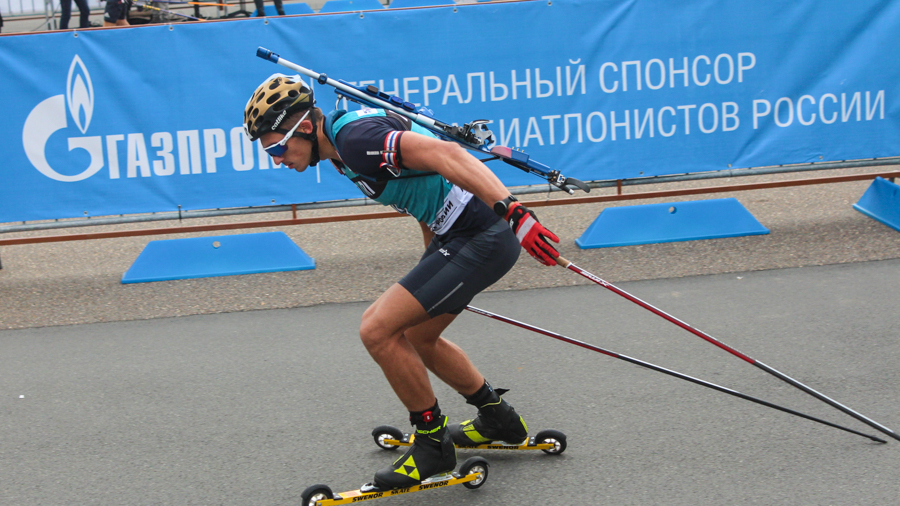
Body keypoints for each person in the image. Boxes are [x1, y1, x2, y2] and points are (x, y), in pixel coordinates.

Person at [243, 74, 560, 490]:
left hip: (482, 233)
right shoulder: (341, 149)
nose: (276, 158)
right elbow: (426, 193)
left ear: (302, 125)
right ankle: (498, 418)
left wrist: (516, 214)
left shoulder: (355, 140)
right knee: (415, 336)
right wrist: (431, 263)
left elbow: (449, 154)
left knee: (377, 330)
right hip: (461, 234)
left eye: (275, 146)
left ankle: (432, 444)